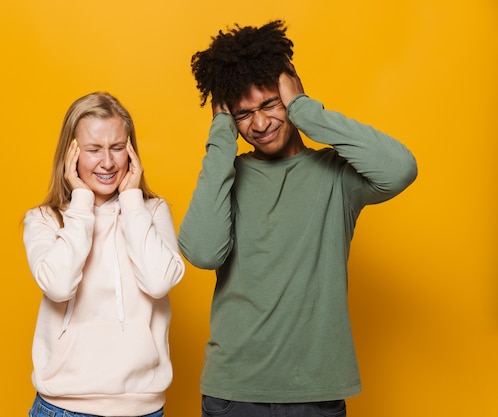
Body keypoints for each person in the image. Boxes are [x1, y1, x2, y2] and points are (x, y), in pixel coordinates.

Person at [178, 20, 417, 417]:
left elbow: (400, 169)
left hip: (315, 392)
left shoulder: (337, 176)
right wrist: (220, 135)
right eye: (242, 114)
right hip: (235, 392)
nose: (259, 123)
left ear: (290, 94)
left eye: (270, 104)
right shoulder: (226, 177)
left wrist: (306, 110)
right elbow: (203, 252)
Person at [23, 92, 185, 417]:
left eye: (117, 147)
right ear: (71, 154)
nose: (108, 163)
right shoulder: (44, 219)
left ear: (132, 151)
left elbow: (158, 283)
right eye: (94, 149)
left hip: (143, 408)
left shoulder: (151, 212)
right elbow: (58, 286)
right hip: (63, 408)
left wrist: (132, 202)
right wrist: (81, 204)